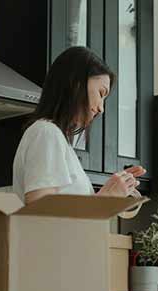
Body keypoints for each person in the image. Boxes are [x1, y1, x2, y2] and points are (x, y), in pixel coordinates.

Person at [13, 46, 145, 215]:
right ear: (76, 84)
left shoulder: (58, 139)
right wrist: (106, 197)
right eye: (101, 93)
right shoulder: (46, 132)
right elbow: (40, 214)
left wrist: (112, 192)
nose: (101, 108)